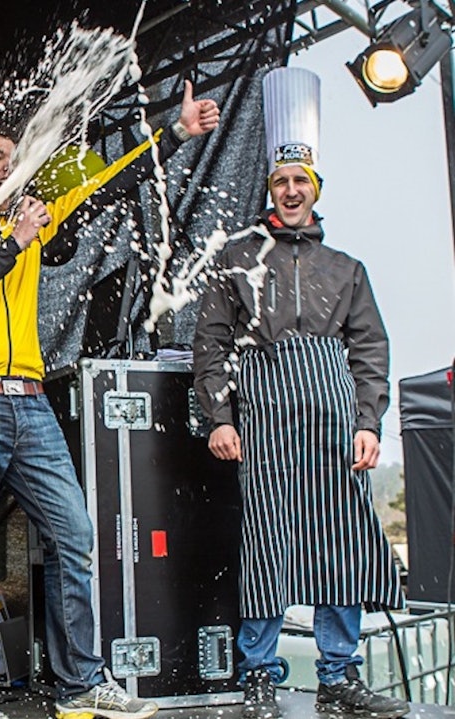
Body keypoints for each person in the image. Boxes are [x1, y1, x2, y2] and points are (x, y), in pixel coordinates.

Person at [0, 80, 220, 719]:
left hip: (29, 404)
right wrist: (14, 243)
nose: (10, 166)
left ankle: (81, 682)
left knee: (76, 534)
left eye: (14, 156)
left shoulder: (29, 215)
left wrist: (172, 134)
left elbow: (112, 182)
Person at [192, 67, 408, 719]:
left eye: (300, 182)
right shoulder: (235, 256)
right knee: (266, 544)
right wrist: (219, 416)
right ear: (270, 188)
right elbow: (210, 343)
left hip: (332, 425)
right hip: (263, 423)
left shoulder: (346, 268)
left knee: (339, 543)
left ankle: (339, 675)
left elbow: (370, 350)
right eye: (281, 181)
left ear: (314, 190)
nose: (290, 190)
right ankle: (258, 671)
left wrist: (368, 422)